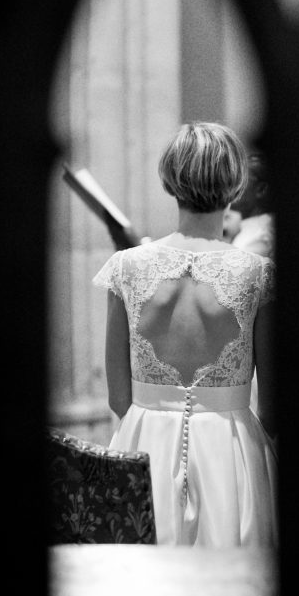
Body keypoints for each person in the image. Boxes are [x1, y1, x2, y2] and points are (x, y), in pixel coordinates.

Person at [92, 121, 278, 547]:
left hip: (144, 445)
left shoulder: (127, 268)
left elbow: (118, 397)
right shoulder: (256, 274)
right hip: (229, 450)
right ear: (234, 185)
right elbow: (273, 405)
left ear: (170, 181)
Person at [230, 151, 275, 258]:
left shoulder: (259, 238)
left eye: (239, 179)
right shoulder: (244, 228)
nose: (229, 185)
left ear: (261, 189)